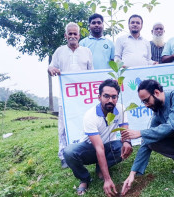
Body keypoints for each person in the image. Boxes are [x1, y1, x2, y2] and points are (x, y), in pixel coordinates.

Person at [63, 79, 133, 196]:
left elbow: (125, 131)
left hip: (108, 146)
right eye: (106, 96)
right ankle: (84, 178)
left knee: (122, 147)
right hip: (89, 149)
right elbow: (98, 148)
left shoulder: (121, 109)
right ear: (99, 97)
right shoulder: (90, 116)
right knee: (69, 152)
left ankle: (100, 168)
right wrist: (107, 179)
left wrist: (127, 141)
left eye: (114, 97)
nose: (110, 100)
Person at [48, 22, 93, 168]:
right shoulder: (59, 51)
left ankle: (85, 151)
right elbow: (50, 67)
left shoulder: (86, 51)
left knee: (86, 121)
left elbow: (91, 73)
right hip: (66, 96)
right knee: (63, 126)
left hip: (84, 96)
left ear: (79, 36)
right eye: (70, 34)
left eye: (75, 34)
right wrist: (52, 69)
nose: (73, 36)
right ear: (65, 35)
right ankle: (63, 156)